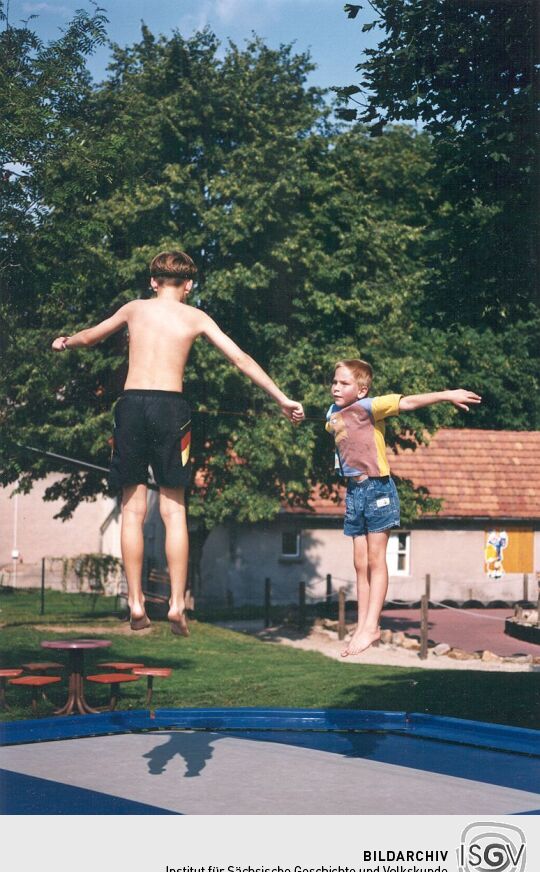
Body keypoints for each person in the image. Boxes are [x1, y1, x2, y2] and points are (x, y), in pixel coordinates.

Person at [52, 250, 304, 634]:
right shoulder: (196, 317)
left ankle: (136, 603)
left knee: (132, 511)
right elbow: (240, 358)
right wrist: (281, 398)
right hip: (172, 409)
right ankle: (175, 605)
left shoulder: (134, 309)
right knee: (174, 512)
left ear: (153, 281)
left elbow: (90, 337)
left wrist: (65, 342)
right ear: (189, 284)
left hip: (131, 405)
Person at [326, 358, 481, 657]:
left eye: (344, 383)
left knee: (375, 559)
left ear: (361, 390)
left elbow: (408, 402)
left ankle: (373, 624)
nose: (335, 387)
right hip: (354, 491)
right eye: (334, 381)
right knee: (359, 564)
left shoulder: (370, 406)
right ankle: (362, 627)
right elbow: (332, 428)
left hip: (377, 489)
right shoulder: (332, 413)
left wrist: (447, 394)